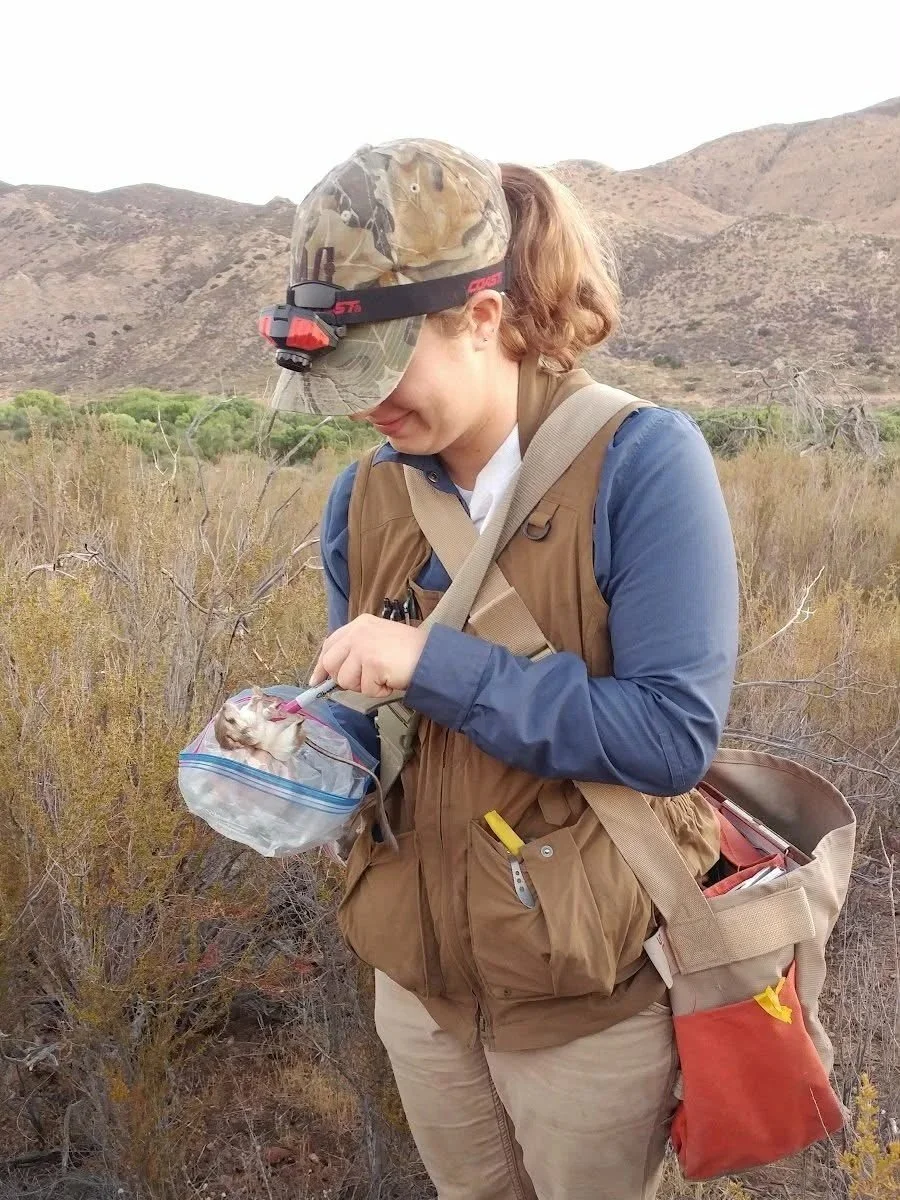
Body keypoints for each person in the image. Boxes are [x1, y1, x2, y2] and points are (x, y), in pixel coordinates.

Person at [266, 138, 739, 1200]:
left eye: (385, 373)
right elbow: (379, 713)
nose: (364, 408)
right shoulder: (366, 498)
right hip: (419, 993)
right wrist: (300, 745)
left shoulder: (643, 462)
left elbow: (670, 737)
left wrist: (434, 662)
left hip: (587, 1008)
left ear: (481, 320)